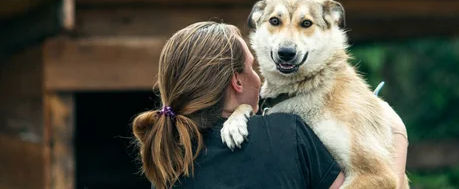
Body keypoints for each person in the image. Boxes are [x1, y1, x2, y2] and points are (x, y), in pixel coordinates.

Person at [132, 21, 408, 189]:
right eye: (253, 67)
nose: (259, 76)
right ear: (237, 82)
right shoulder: (288, 132)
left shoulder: (166, 163)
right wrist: (398, 135)